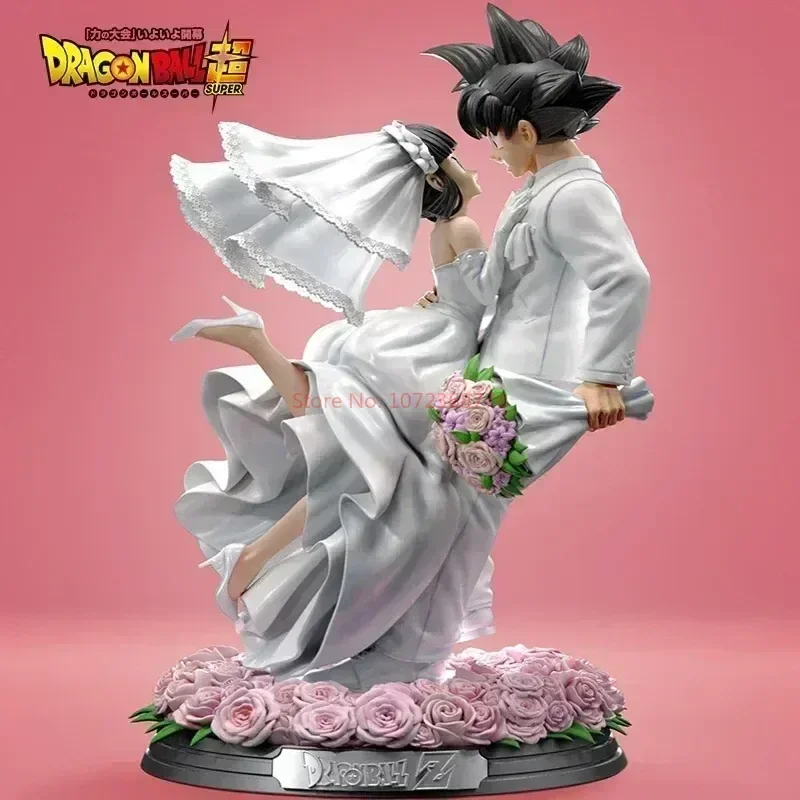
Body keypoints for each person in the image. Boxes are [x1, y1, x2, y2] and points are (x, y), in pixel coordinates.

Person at [169, 120, 508, 688]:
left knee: (353, 454)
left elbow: (463, 292)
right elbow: (490, 307)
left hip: (423, 337)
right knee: (370, 466)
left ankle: (257, 346)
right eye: (459, 160)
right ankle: (279, 567)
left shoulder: (448, 229)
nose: (472, 167)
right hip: (441, 349)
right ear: (438, 176)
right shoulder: (465, 226)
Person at [420, 4, 654, 465]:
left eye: (496, 138)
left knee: (439, 484)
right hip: (496, 369)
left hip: (535, 380)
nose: (494, 153)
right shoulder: (535, 191)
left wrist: (602, 377)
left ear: (525, 132)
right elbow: (501, 284)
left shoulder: (575, 193)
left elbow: (623, 277)